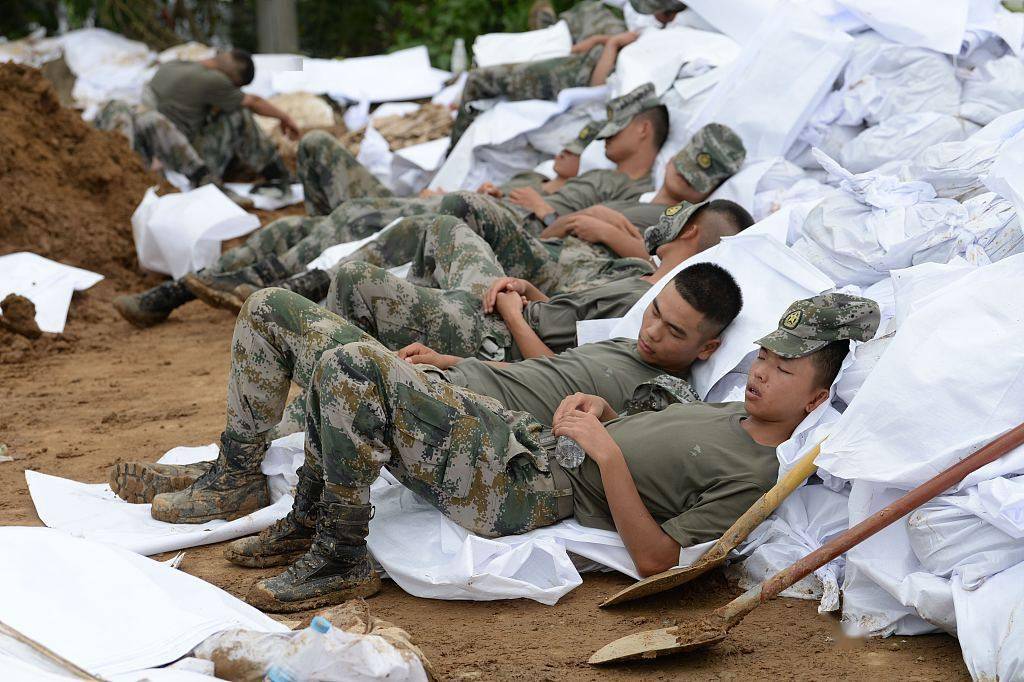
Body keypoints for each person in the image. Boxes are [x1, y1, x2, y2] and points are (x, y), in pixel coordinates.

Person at [238, 292, 877, 612]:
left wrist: (607, 456)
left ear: (817, 399)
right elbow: (648, 436)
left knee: (354, 366)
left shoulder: (758, 473)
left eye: (784, 370)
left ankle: (341, 554)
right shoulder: (724, 409)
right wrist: (603, 415)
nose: (763, 374)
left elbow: (661, 561)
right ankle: (311, 521)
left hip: (527, 490)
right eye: (763, 357)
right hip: (527, 441)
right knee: (339, 364)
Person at [108, 262, 742, 529]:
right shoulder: (624, 344)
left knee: (276, 312)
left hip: (460, 418)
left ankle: (233, 475)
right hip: (447, 382)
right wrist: (454, 359)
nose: (654, 331)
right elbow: (533, 373)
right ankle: (227, 469)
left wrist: (594, 411)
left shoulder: (669, 388)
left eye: (675, 331)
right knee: (298, 378)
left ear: (708, 349)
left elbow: (617, 438)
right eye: (655, 313)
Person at [176, 85, 667, 314]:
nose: (599, 141)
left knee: (354, 215)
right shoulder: (564, 173)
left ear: (642, 130)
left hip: (494, 227)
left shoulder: (626, 193)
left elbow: (582, 238)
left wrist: (544, 209)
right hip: (465, 204)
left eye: (614, 131)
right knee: (298, 207)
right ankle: (188, 288)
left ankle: (273, 284)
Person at [329, 200, 753, 362]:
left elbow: (556, 366)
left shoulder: (651, 307)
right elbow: (570, 320)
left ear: (691, 231)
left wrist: (516, 315)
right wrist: (530, 294)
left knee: (355, 281)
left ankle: (322, 401)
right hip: (513, 312)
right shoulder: (653, 290)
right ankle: (395, 337)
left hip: (496, 337)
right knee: (445, 224)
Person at [435, 121, 746, 295]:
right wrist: (567, 221)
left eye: (694, 178)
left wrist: (605, 231)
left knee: (459, 212)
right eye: (684, 165)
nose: (682, 175)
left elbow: (660, 264)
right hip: (553, 244)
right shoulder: (637, 194)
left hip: (576, 266)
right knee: (452, 215)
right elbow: (574, 221)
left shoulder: (681, 223)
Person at [94, 49, 298, 190]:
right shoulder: (214, 81)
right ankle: (277, 173)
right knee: (238, 114)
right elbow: (253, 102)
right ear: (233, 81)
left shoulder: (172, 65)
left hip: (151, 149)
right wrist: (285, 117)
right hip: (183, 161)